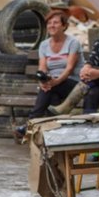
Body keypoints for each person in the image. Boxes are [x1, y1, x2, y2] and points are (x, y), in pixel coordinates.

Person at [14, 11, 84, 139]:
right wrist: (43, 80)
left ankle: (31, 123)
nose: (52, 25)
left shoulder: (73, 43)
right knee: (51, 95)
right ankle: (53, 133)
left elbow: (69, 69)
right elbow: (42, 66)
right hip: (53, 84)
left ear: (64, 26)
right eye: (49, 23)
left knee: (50, 89)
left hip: (73, 83)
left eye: (56, 22)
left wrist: (55, 82)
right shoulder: (44, 45)